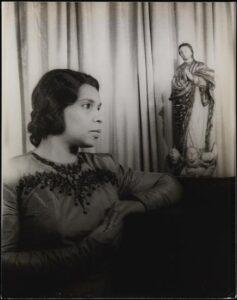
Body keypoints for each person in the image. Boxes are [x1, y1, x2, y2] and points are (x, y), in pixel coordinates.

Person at [2, 69, 182, 298]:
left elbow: (171, 184)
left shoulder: (104, 166)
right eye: (87, 105)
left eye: (98, 108)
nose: (99, 117)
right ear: (54, 107)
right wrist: (85, 251)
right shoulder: (12, 174)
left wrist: (134, 205)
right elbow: (4, 262)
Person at [169, 43, 215, 157]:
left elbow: (209, 81)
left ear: (191, 51)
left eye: (185, 50)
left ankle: (198, 153)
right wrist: (181, 86)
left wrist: (193, 78)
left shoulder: (200, 66)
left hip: (198, 102)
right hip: (183, 105)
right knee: (187, 128)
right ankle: (187, 154)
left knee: (197, 126)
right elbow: (175, 86)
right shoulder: (179, 69)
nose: (183, 53)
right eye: (181, 52)